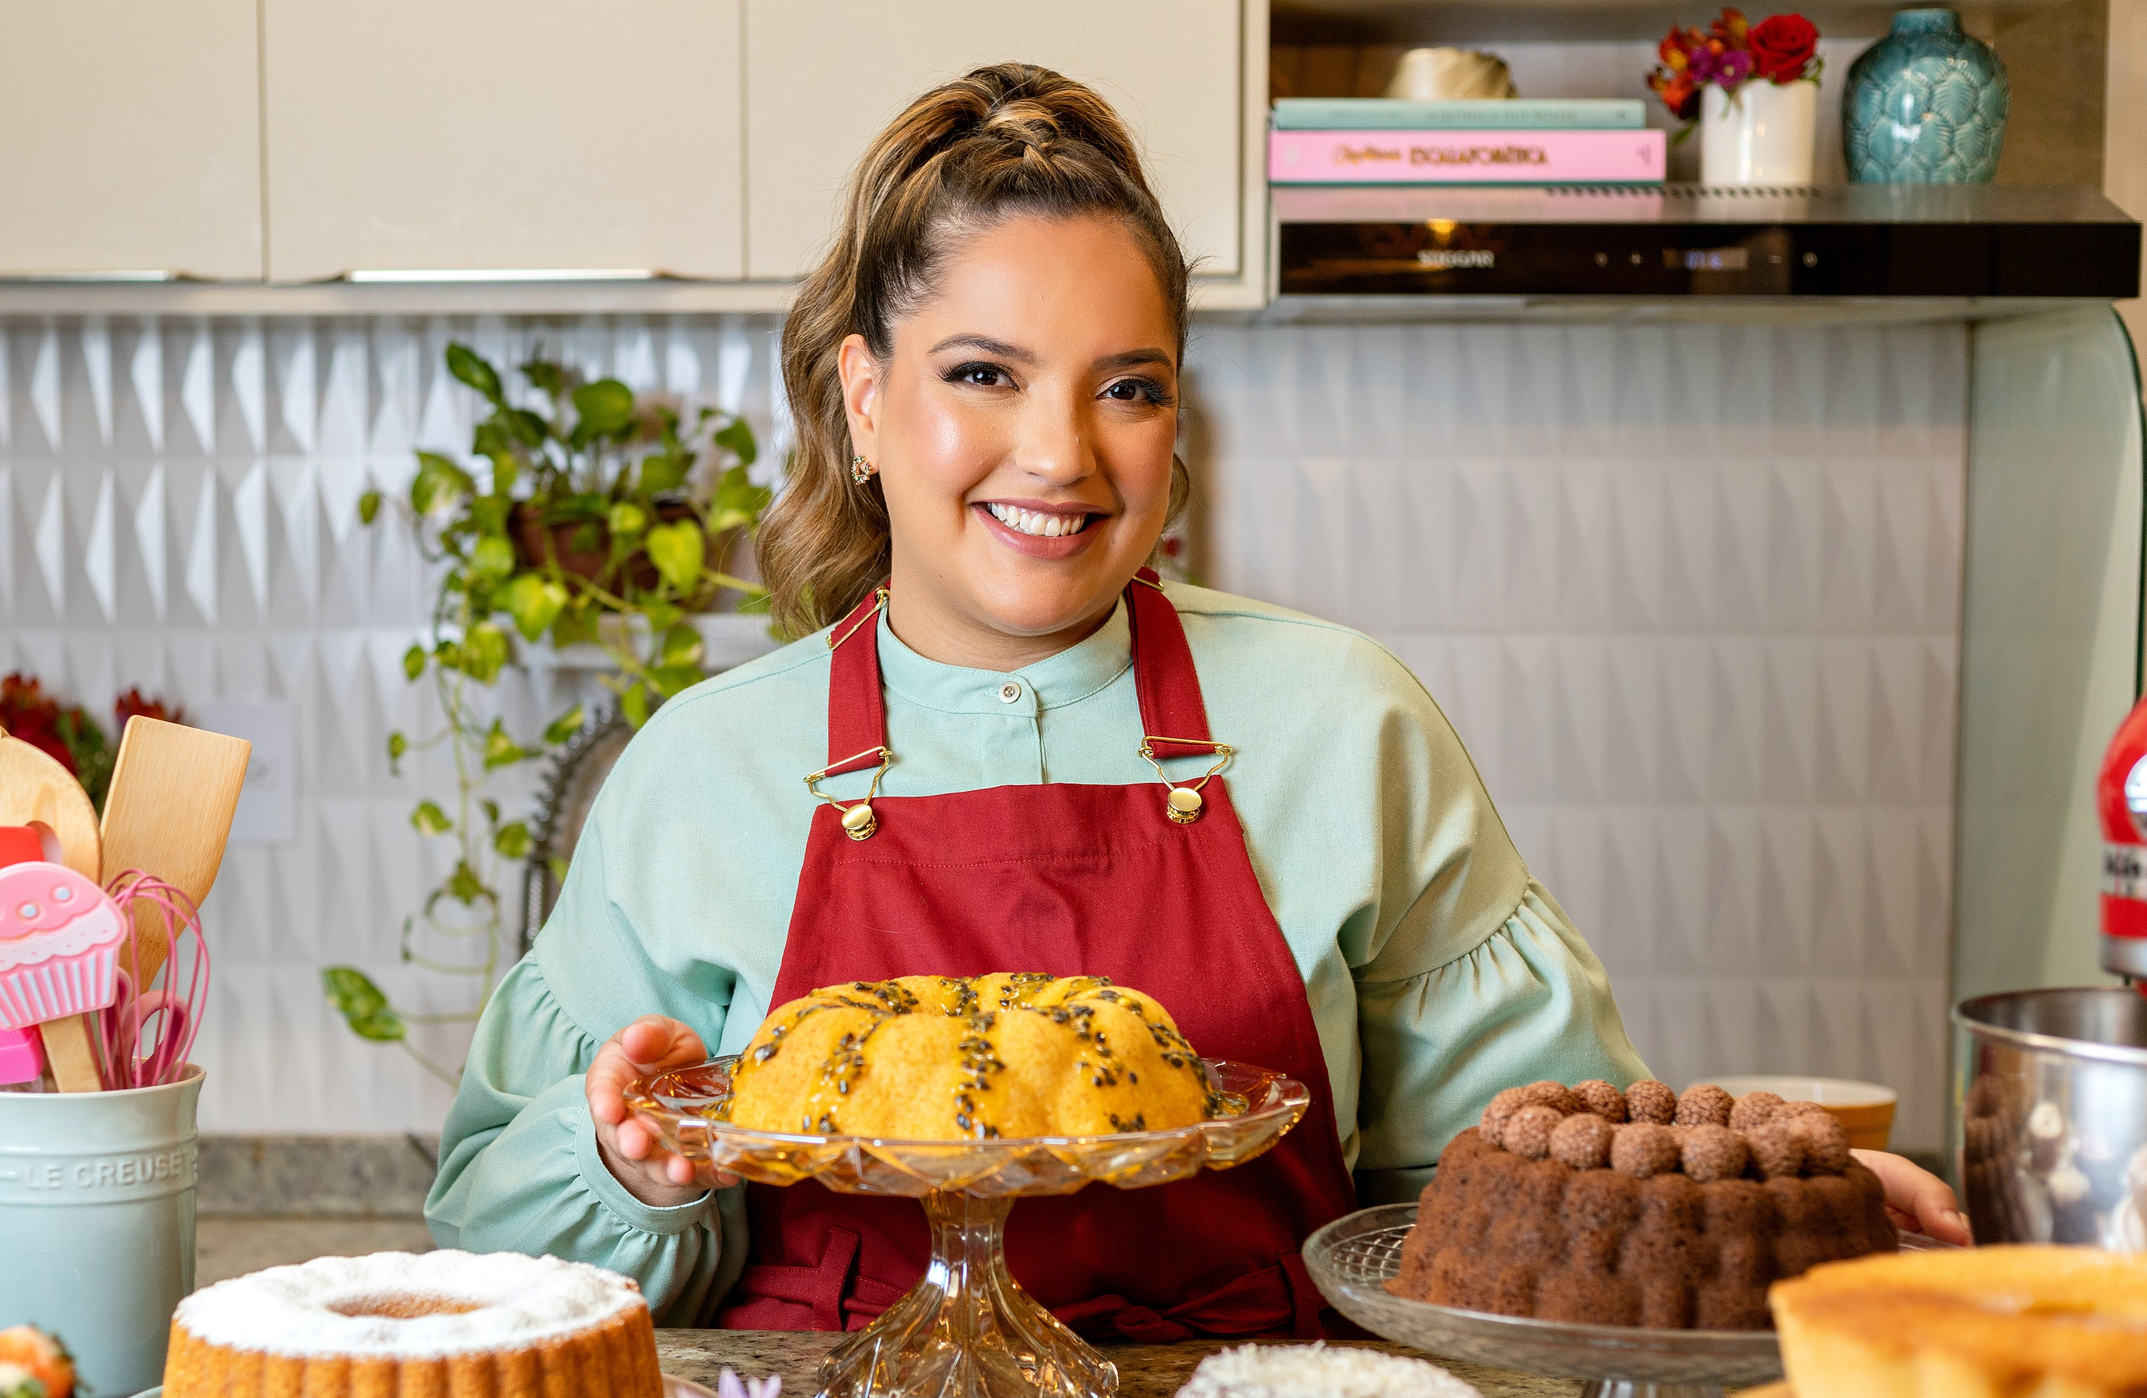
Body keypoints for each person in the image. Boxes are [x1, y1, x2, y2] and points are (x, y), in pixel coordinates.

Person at [427, 63, 1969, 1332]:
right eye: (983, 374)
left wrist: (1771, 1218)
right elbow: (495, 1262)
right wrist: (635, 1168)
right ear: (861, 397)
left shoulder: (1338, 723)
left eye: (1129, 385)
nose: (1062, 456)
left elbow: (1518, 1190)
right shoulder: (707, 771)